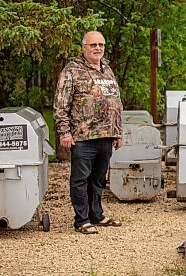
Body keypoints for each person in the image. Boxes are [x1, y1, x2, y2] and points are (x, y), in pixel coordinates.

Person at [54, 31, 124, 234]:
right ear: (84, 47)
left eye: (101, 44)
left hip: (106, 136)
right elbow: (60, 104)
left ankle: (97, 214)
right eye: (93, 45)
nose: (98, 48)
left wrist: (118, 132)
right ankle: (82, 220)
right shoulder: (72, 71)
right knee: (80, 179)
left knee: (98, 179)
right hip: (83, 137)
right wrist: (64, 132)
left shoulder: (107, 69)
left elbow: (116, 103)